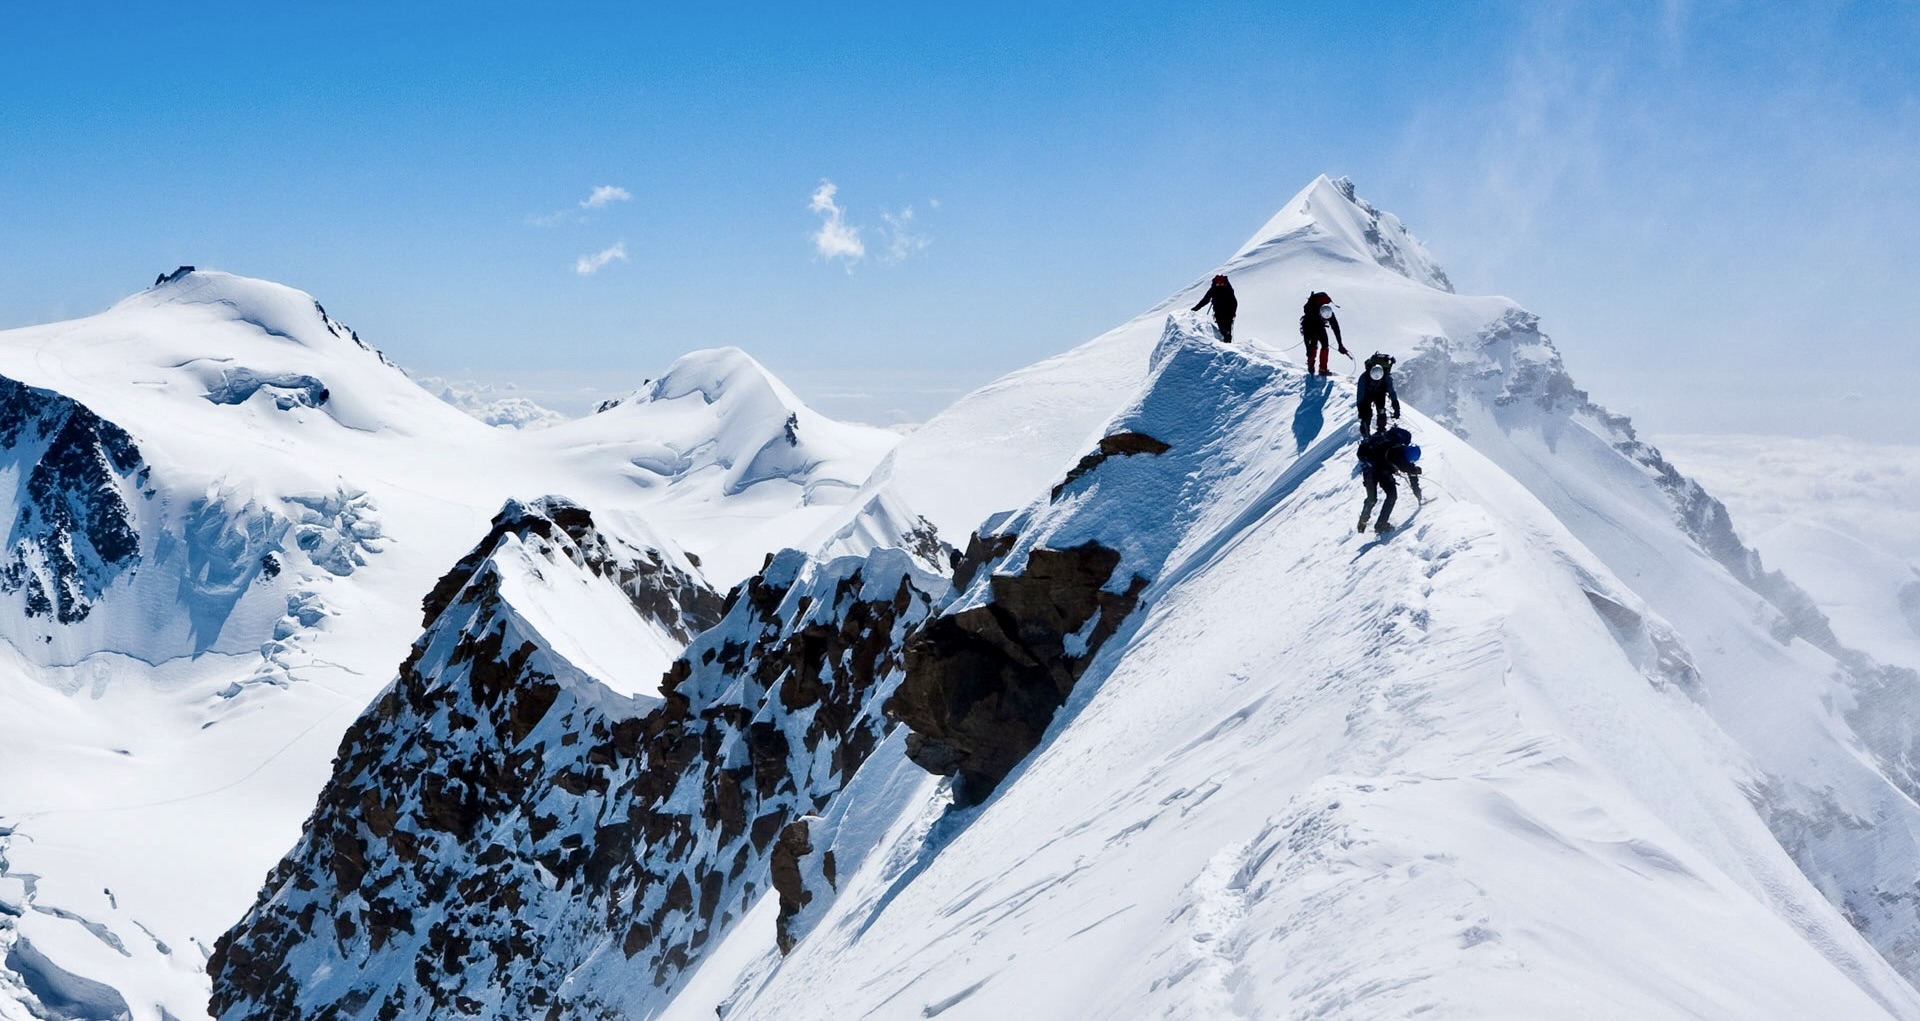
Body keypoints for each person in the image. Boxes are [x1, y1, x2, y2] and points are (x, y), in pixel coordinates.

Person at [1356, 424, 1422, 534]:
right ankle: (1379, 524)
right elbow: (1407, 469)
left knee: (1372, 499)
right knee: (1391, 496)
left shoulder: (1395, 448)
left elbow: (1407, 468)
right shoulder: (1397, 453)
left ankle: (1364, 522)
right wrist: (1418, 494)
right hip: (1377, 470)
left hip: (1372, 471)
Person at [1299, 291, 1348, 376]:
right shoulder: (1310, 316)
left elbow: (1336, 329)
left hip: (1319, 326)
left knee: (1324, 344)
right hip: (1310, 326)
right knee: (1314, 345)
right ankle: (1316, 367)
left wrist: (1340, 344)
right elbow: (1306, 336)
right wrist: (1307, 349)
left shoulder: (1329, 314)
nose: (1326, 320)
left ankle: (1319, 367)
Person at [1356, 352, 1401, 436]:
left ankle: (1380, 430)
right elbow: (1360, 396)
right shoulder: (1364, 378)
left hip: (1378, 393)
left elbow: (1392, 393)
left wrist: (1396, 406)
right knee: (1366, 414)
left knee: (1381, 410)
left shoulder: (1386, 378)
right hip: (1368, 394)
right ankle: (1366, 432)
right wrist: (1360, 409)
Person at [1192, 274, 1238, 343]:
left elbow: (1234, 302)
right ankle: (1226, 343)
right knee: (1223, 330)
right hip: (1219, 313)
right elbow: (1205, 300)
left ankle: (1227, 343)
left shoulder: (1228, 290)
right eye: (1218, 283)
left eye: (1221, 283)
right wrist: (1196, 308)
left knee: (1226, 330)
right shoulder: (1214, 290)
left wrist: (1233, 313)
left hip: (1228, 313)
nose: (1220, 285)